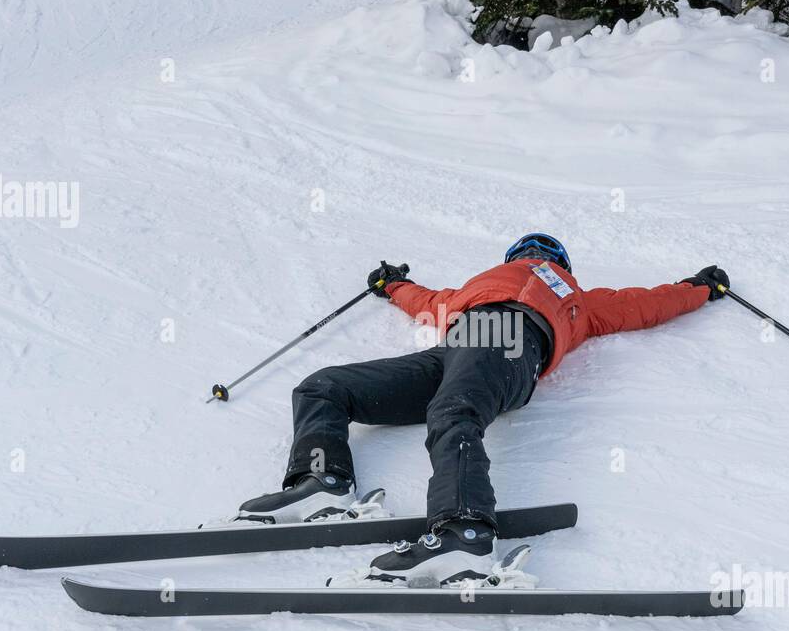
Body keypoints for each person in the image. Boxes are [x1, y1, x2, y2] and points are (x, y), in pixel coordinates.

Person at [238, 233, 729, 584]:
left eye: (545, 253)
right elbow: (427, 299)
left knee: (453, 413)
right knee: (324, 386)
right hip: (454, 349)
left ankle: (464, 531)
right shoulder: (472, 289)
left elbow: (643, 303)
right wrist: (391, 286)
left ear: (559, 264)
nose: (536, 256)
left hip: (512, 341)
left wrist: (699, 288)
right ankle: (321, 481)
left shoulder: (578, 299)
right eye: (530, 251)